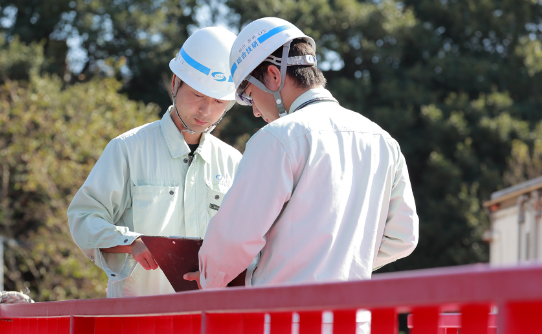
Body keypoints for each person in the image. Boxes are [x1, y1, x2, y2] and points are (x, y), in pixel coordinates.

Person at [185, 17, 419, 289]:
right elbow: (403, 238)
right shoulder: (384, 142)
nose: (256, 111)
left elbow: (234, 239)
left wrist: (208, 280)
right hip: (353, 319)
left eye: (249, 95)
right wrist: (340, 262)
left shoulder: (277, 139)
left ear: (273, 75)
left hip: (285, 318)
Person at [67, 27, 242, 298]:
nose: (206, 110)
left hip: (209, 318)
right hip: (139, 319)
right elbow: (83, 218)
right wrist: (131, 242)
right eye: (198, 95)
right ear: (176, 83)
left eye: (218, 101)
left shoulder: (234, 164)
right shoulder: (128, 149)